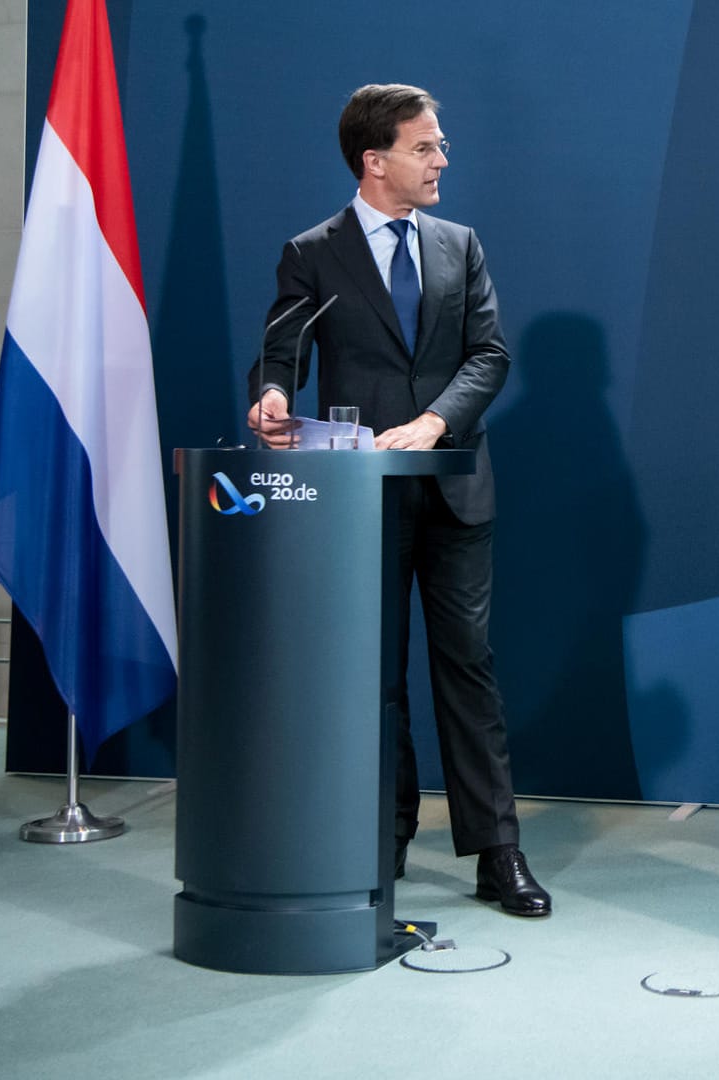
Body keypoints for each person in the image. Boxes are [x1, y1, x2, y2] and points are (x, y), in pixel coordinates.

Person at [247, 83, 548, 917]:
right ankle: (380, 842)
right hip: (360, 505)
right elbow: (281, 352)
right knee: (373, 680)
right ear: (375, 162)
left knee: (468, 671)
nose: (443, 159)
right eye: (426, 147)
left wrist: (431, 422)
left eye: (440, 145)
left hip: (454, 486)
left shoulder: (460, 244)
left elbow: (488, 357)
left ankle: (498, 854)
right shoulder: (313, 252)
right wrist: (272, 397)